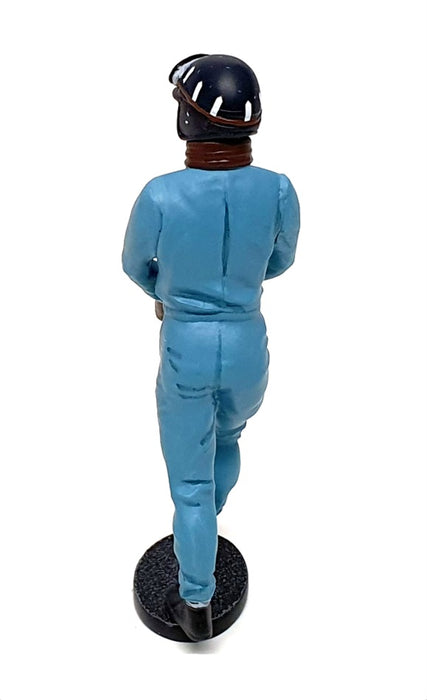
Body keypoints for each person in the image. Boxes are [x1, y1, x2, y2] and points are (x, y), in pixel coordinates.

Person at [122, 54, 300, 641]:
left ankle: (196, 600)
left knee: (190, 486)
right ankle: (201, 530)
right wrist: (238, 286)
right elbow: (281, 260)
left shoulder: (160, 195)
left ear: (188, 121)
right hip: (248, 345)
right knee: (228, 439)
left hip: (187, 348)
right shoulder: (278, 189)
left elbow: (134, 265)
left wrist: (171, 294)